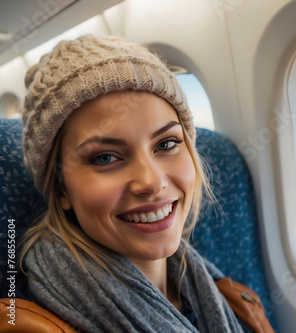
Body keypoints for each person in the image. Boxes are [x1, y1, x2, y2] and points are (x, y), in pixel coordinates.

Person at [19, 34, 272, 333]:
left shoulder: (220, 294)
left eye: (166, 144)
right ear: (61, 189)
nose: (151, 182)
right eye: (104, 158)